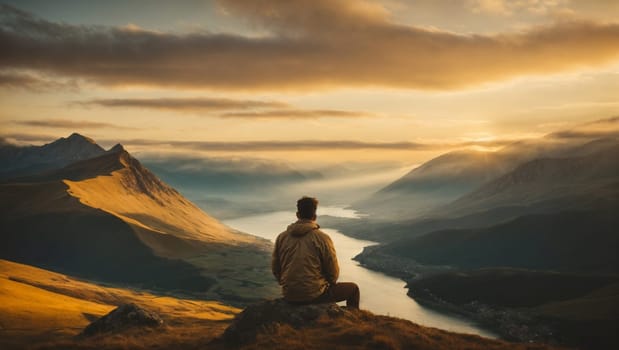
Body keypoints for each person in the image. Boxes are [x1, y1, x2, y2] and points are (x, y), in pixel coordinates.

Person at [271, 196, 360, 309]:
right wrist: (326, 284)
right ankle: (353, 322)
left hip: (289, 294)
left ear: (297, 215)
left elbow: (275, 268)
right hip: (314, 295)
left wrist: (288, 285)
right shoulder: (322, 238)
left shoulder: (281, 237)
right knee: (353, 289)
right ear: (314, 216)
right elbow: (333, 273)